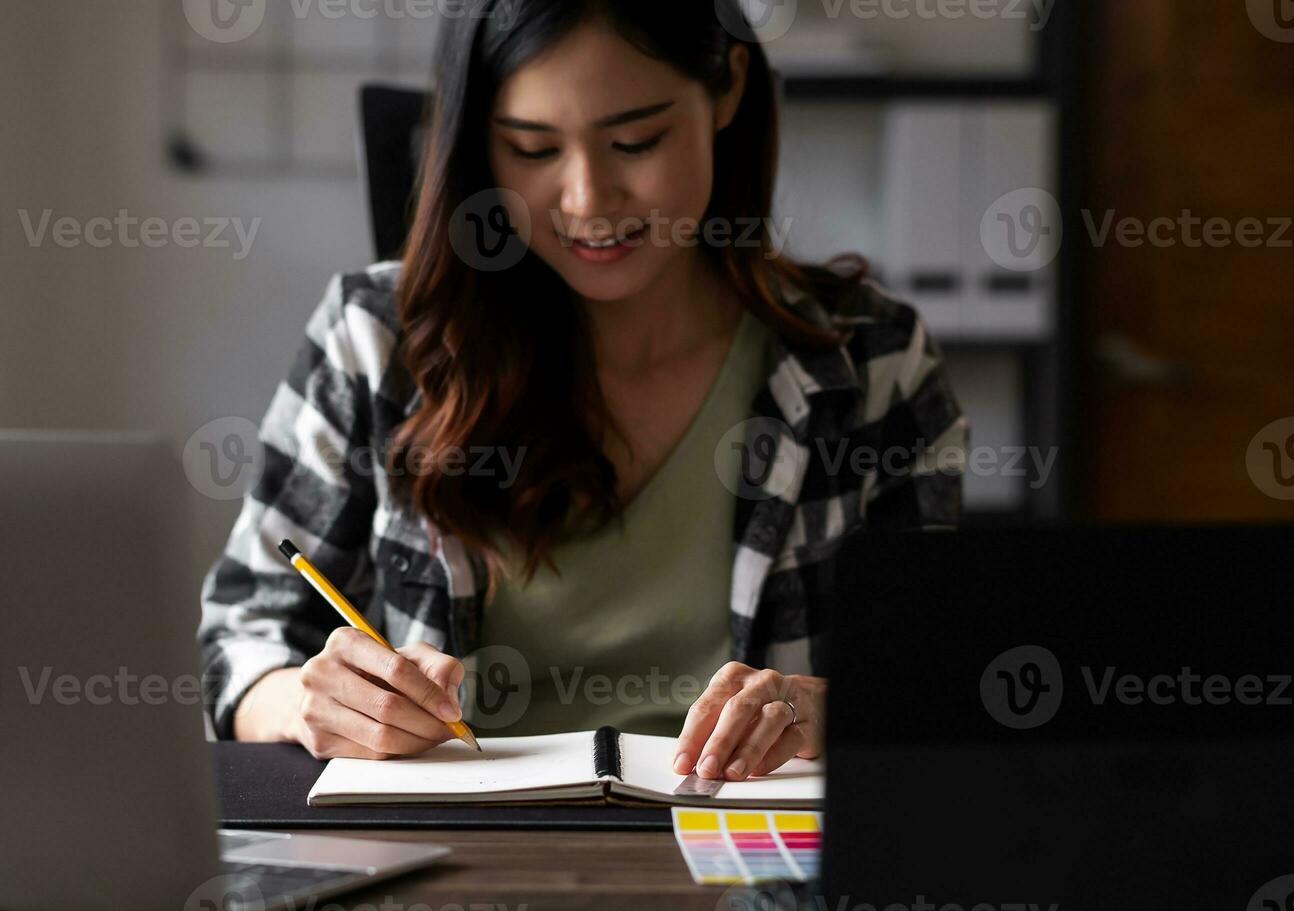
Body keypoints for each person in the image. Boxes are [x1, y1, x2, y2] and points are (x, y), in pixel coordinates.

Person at [199, 0, 968, 783]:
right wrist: (304, 701)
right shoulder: (374, 341)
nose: (588, 201)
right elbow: (238, 639)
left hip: (746, 869)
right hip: (450, 868)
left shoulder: (871, 363)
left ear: (729, 87)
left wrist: (821, 710)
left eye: (636, 140)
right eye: (531, 149)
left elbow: (943, 684)